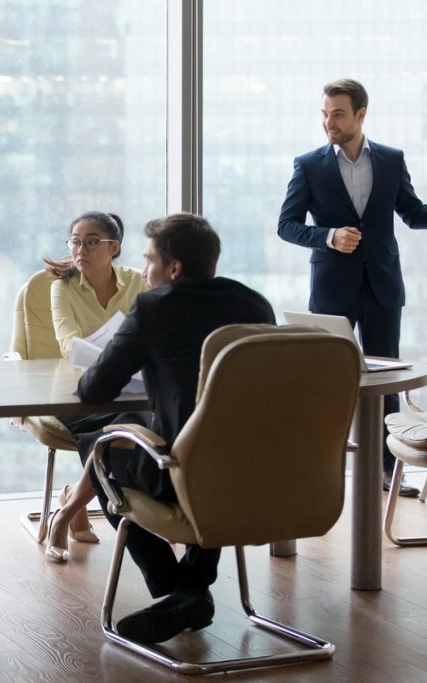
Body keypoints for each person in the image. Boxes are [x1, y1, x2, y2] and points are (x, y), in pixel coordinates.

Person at [277, 78, 427, 498]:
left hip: (382, 285)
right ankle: (315, 472)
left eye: (338, 114)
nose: (328, 122)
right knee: (324, 382)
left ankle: (386, 473)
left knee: (385, 383)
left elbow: (413, 213)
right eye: (324, 114)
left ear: (361, 114)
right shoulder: (308, 164)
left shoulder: (392, 160)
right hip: (331, 291)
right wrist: (328, 236)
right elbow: (286, 226)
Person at [76, 213, 275, 644]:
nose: (144, 272)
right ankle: (191, 587)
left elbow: (94, 388)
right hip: (259, 474)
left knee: (98, 447)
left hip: (183, 474)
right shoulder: (255, 304)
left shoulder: (154, 307)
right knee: (190, 440)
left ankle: (180, 589)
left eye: (149, 261)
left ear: (174, 269)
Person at [43, 211, 149, 563]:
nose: (80, 249)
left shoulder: (137, 281)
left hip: (130, 387)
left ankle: (69, 505)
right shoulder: (63, 287)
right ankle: (70, 512)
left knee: (134, 425)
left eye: (91, 242)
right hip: (78, 389)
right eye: (75, 241)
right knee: (118, 430)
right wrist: (119, 355)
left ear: (114, 247)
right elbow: (68, 343)